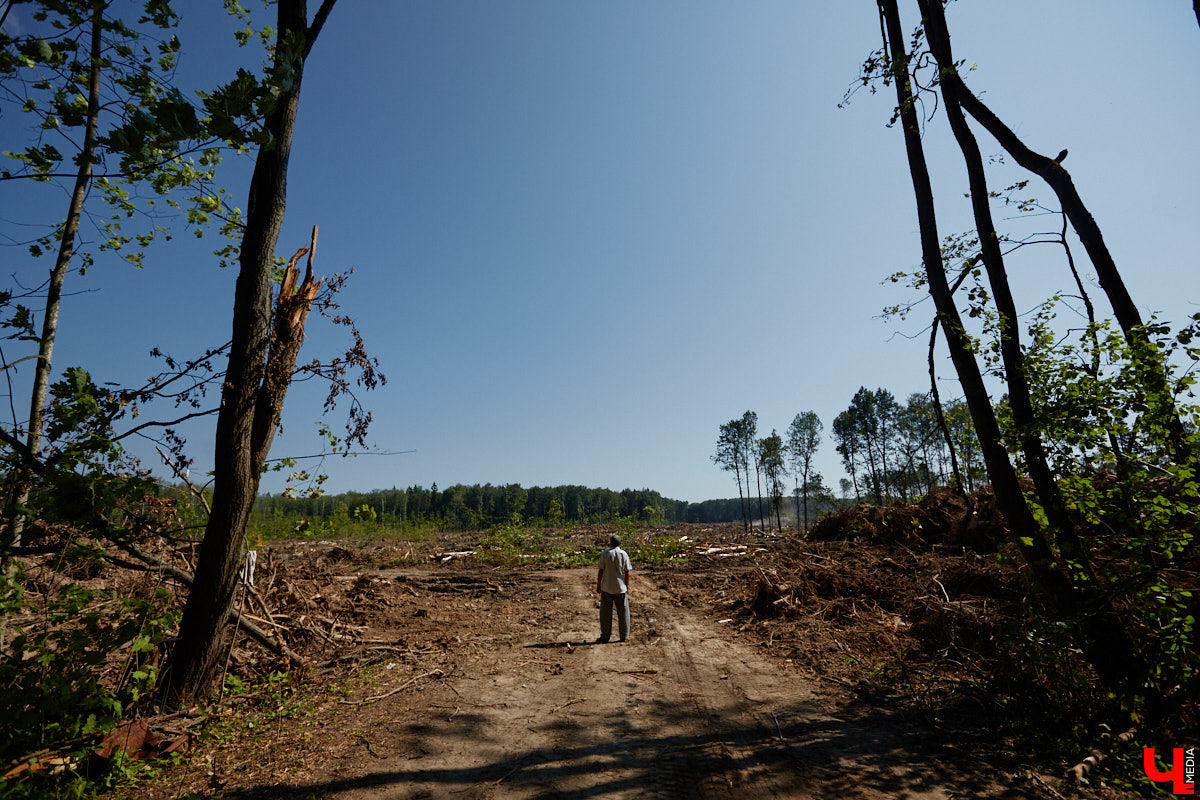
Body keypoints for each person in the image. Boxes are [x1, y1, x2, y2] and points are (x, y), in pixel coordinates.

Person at [596, 534, 632, 643]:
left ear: (611, 542)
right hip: (620, 588)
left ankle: (605, 636)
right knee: (623, 612)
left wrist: (598, 585)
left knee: (605, 614)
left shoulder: (606, 553)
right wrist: (627, 586)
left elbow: (601, 571)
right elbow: (627, 573)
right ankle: (624, 636)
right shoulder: (624, 554)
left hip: (607, 587)